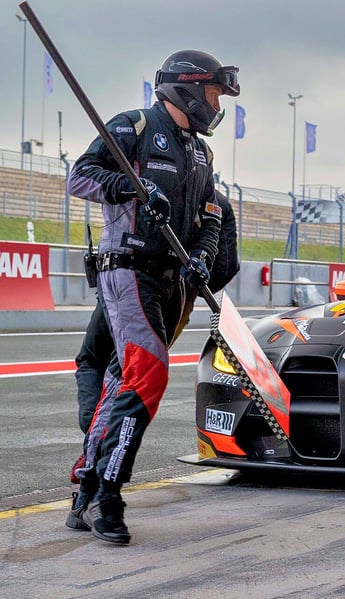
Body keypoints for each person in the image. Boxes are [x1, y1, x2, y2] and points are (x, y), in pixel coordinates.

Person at [65, 50, 239, 544]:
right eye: (213, 93)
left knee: (124, 381)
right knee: (147, 376)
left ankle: (85, 489)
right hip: (129, 272)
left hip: (173, 284)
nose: (216, 104)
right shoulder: (135, 126)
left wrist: (203, 256)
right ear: (188, 87)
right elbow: (80, 176)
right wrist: (131, 185)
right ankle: (107, 497)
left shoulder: (202, 154)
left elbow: (211, 217)